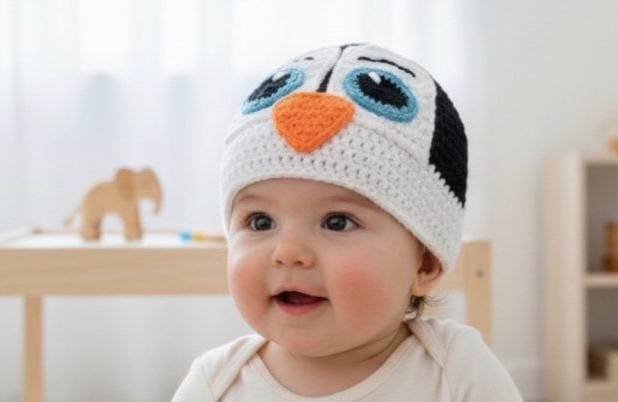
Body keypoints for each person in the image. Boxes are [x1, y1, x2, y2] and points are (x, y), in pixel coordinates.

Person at [172, 43, 522, 401]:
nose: (288, 252)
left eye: (337, 222)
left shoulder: (455, 369)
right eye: (261, 222)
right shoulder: (216, 383)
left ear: (426, 262)